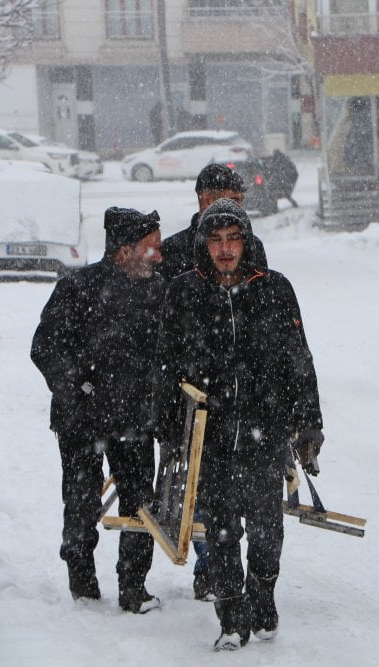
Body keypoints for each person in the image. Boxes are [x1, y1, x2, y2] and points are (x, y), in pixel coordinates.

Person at [152, 198, 324, 651]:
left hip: (264, 432)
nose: (225, 249)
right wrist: (168, 426)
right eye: (216, 240)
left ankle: (263, 595)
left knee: (268, 530)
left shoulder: (274, 289)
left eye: (233, 239)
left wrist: (309, 424)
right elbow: (166, 366)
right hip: (209, 436)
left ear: (245, 242)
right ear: (203, 245)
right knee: (223, 530)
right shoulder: (184, 293)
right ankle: (231, 619)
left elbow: (299, 361)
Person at [31, 207, 165, 614]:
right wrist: (77, 390)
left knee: (140, 504)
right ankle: (83, 584)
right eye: (150, 249)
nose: (158, 257)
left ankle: (133, 588)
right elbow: (45, 348)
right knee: (81, 500)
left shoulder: (159, 291)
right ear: (124, 251)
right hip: (81, 422)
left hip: (135, 422)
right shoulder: (77, 288)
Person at [155, 162, 270, 600]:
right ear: (201, 199)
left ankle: (229, 574)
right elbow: (164, 326)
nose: (227, 208)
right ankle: (212, 570)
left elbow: (264, 310)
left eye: (237, 202)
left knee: (242, 498)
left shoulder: (251, 246)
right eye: (220, 198)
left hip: (244, 395)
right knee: (199, 488)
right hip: (197, 391)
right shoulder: (176, 251)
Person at [157, 163, 268, 280]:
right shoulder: (173, 249)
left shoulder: (252, 244)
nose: (239, 208)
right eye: (233, 201)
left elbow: (262, 288)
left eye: (240, 202)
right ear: (206, 200)